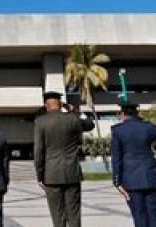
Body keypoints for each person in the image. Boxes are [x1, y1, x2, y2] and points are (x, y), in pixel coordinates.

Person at [34, 91, 95, 227]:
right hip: (71, 172)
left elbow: (39, 151)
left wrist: (39, 175)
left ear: (46, 105)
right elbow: (90, 124)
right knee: (74, 213)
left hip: (51, 174)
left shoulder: (40, 122)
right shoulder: (72, 118)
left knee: (57, 214)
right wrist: (75, 111)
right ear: (61, 103)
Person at [111, 100, 156, 227]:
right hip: (150, 175)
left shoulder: (118, 130)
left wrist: (117, 181)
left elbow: (116, 158)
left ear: (122, 114)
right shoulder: (148, 127)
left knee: (139, 214)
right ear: (137, 113)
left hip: (130, 178)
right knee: (154, 213)